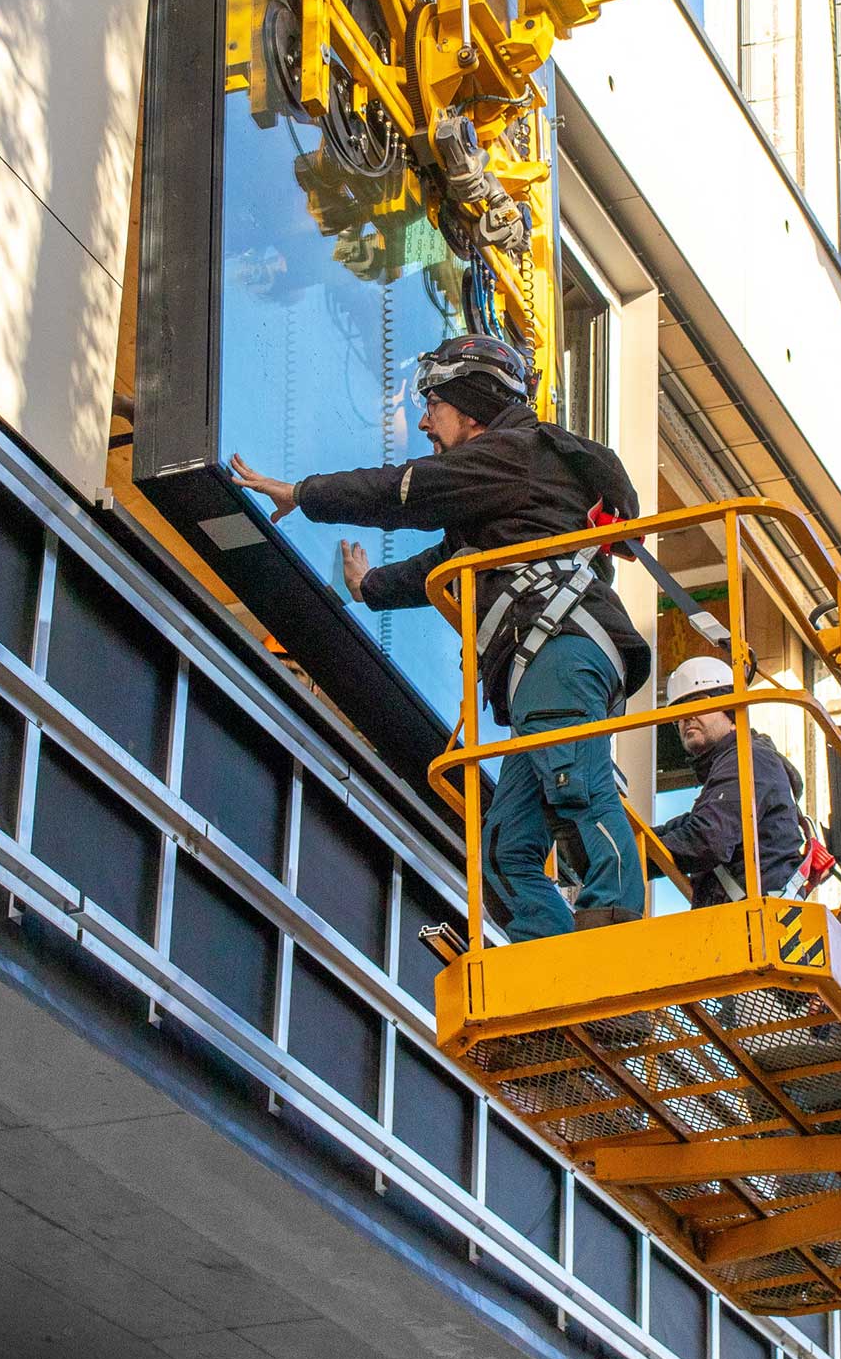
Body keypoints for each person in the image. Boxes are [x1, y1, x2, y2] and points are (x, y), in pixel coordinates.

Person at [230, 334, 650, 942]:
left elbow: (405, 490)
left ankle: (615, 944)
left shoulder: (511, 456)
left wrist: (303, 494)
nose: (424, 421)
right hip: (548, 658)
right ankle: (550, 956)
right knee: (507, 847)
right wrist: (370, 585)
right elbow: (444, 564)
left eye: (434, 404)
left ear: (472, 405)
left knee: (574, 785)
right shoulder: (500, 493)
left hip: (559, 649)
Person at [658, 656, 804, 906]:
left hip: (756, 921)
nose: (686, 717)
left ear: (731, 711)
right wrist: (632, 843)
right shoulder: (731, 769)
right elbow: (690, 826)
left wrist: (628, 856)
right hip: (747, 920)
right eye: (678, 712)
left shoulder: (750, 759)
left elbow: (707, 838)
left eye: (698, 703)